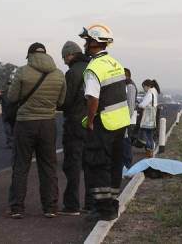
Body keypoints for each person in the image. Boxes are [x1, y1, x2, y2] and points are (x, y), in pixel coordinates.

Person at [7, 42, 66, 219]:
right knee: (48, 166)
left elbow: (12, 97)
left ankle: (17, 208)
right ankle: (50, 207)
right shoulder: (59, 74)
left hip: (25, 123)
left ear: (30, 55)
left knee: (20, 166)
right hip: (48, 123)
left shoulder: (22, 71)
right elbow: (61, 102)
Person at [80, 24, 131, 221]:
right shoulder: (115, 63)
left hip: (104, 123)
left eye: (87, 41)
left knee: (98, 165)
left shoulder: (93, 68)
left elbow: (93, 99)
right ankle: (112, 204)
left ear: (94, 42)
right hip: (120, 123)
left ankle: (103, 209)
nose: (85, 44)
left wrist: (90, 121)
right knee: (114, 164)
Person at [59, 41, 92, 215]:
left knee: (73, 164)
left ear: (71, 54)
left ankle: (72, 205)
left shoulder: (72, 73)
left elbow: (66, 100)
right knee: (89, 165)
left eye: (64, 57)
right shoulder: (93, 68)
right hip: (91, 122)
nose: (64, 61)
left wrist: (58, 104)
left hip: (75, 123)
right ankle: (90, 203)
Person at [138, 79, 161, 158]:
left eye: (144, 87)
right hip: (152, 116)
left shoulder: (149, 93)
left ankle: (149, 151)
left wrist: (139, 104)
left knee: (147, 135)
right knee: (150, 135)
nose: (143, 89)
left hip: (148, 117)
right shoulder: (154, 92)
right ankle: (151, 150)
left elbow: (143, 105)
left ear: (147, 86)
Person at [123, 68, 137, 169]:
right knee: (124, 142)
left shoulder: (130, 86)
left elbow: (131, 105)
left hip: (128, 120)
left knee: (126, 142)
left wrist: (126, 120)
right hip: (125, 119)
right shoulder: (127, 85)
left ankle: (127, 165)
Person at [0, 81, 13, 148]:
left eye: (10, 84)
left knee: (11, 129)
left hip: (11, 113)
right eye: (8, 84)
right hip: (7, 114)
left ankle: (11, 143)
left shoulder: (15, 92)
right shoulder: (3, 93)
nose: (9, 86)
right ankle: (11, 143)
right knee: (8, 129)